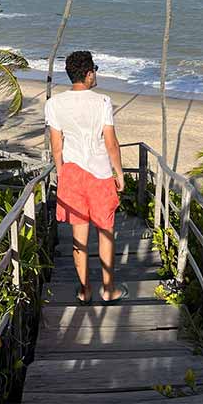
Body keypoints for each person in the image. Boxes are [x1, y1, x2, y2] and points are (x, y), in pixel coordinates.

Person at [45, 50, 128, 305]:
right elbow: (111, 143)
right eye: (95, 70)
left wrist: (61, 173)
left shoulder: (54, 104)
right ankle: (108, 289)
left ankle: (84, 290)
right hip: (100, 173)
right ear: (89, 73)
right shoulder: (102, 101)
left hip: (72, 173)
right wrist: (119, 172)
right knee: (105, 233)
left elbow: (56, 145)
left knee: (78, 238)